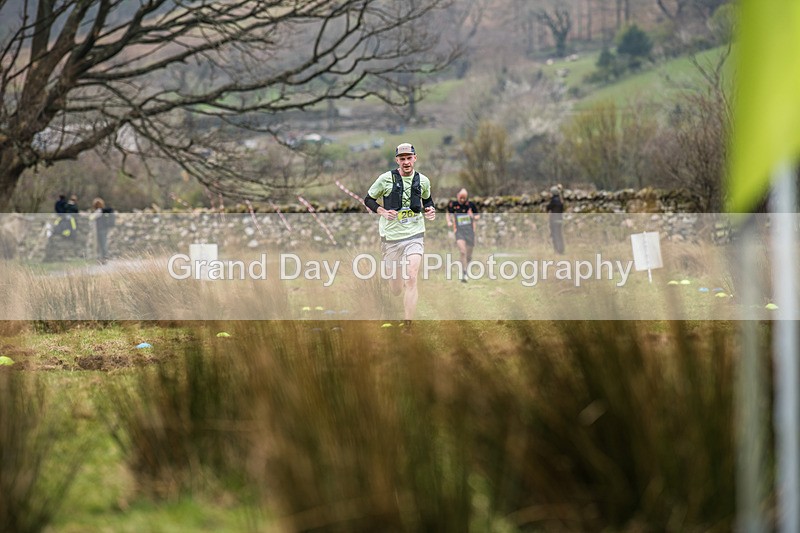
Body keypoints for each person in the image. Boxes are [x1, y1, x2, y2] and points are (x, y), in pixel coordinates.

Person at [364, 142, 436, 328]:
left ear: (415, 158)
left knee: (411, 277)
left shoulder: (423, 180)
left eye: (409, 158)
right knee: (396, 288)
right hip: (391, 238)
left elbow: (428, 200)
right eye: (402, 158)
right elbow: (368, 199)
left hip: (414, 235)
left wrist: (430, 210)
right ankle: (397, 288)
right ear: (397, 160)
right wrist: (382, 211)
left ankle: (408, 325)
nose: (406, 162)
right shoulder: (385, 179)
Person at [446, 188, 480, 282]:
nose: (462, 200)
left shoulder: (471, 205)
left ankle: (467, 268)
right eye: (461, 197)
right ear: (458, 196)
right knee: (462, 252)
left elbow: (477, 216)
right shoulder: (453, 204)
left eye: (464, 198)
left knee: (468, 255)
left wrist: (472, 216)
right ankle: (464, 273)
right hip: (459, 231)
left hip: (470, 231)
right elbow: (448, 213)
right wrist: (449, 221)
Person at [91, 197, 111, 264]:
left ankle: (103, 259)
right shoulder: (102, 211)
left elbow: (91, 218)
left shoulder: (99, 211)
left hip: (100, 230)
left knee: (101, 245)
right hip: (103, 229)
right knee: (103, 244)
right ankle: (103, 259)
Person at [546, 185, 565, 254]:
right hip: (560, 219)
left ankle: (557, 250)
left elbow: (548, 208)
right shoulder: (560, 200)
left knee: (555, 235)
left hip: (554, 220)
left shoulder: (553, 200)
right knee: (559, 235)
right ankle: (561, 249)